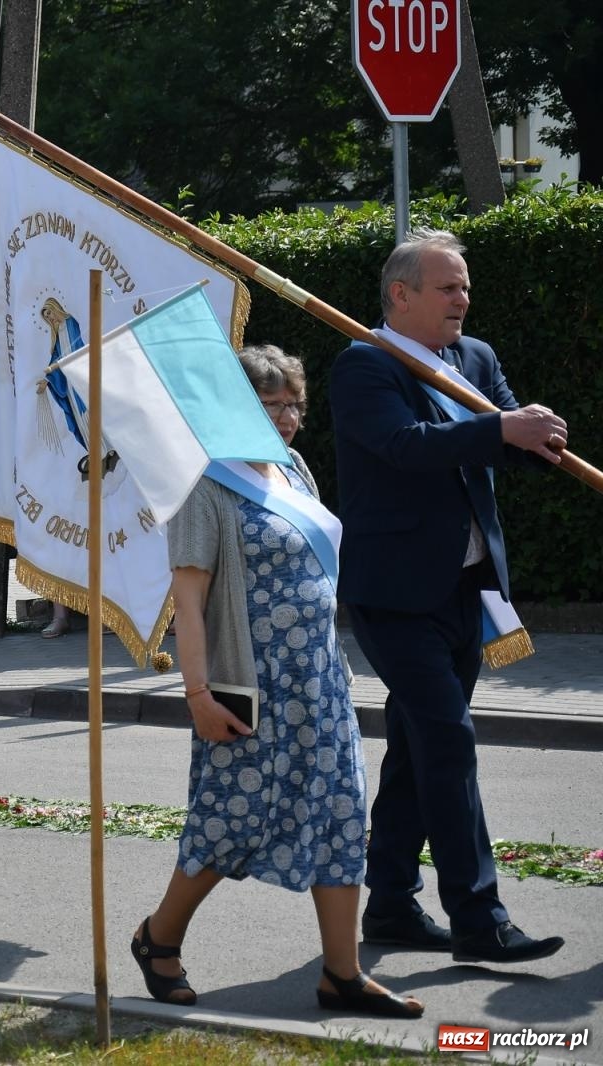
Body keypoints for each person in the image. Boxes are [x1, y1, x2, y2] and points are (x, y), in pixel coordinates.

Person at [129, 345, 421, 1017]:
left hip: (319, 679)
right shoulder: (204, 483)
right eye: (272, 405)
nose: (288, 418)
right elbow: (190, 599)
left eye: (295, 404)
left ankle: (341, 974)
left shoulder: (292, 470)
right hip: (248, 685)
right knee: (231, 819)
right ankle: (159, 937)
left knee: (342, 814)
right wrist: (197, 694)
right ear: (233, 408)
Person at [330, 228, 566, 964]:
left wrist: (537, 438)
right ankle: (479, 917)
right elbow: (408, 448)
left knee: (417, 746)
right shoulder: (364, 365)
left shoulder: (476, 358)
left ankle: (392, 904)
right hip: (395, 594)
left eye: (464, 286)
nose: (463, 298)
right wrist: (502, 427)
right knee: (449, 739)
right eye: (447, 287)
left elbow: (501, 442)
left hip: (468, 586)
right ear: (401, 296)